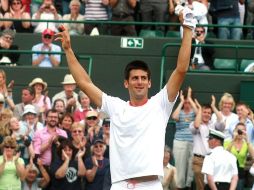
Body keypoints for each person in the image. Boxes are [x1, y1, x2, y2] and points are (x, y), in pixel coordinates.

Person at [56, 4, 195, 189]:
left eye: (143, 78)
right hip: (120, 185)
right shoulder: (115, 106)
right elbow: (84, 83)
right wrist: (68, 50)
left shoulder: (160, 104)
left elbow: (181, 69)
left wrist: (187, 28)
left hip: (151, 185)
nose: (139, 82)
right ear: (126, 83)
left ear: (149, 82)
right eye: (135, 78)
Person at [190, 97, 224, 190]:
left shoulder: (213, 124)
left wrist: (213, 106)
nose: (207, 114)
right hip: (199, 160)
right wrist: (200, 110)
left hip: (212, 159)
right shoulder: (194, 123)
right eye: (205, 112)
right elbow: (196, 126)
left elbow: (221, 122)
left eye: (209, 113)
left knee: (211, 185)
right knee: (200, 186)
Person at [171, 87, 196, 189]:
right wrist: (181, 102)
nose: (187, 104)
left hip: (193, 142)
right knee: (180, 167)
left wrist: (190, 99)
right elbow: (174, 117)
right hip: (180, 142)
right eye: (186, 102)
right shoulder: (180, 111)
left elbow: (199, 114)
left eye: (189, 102)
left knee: (191, 168)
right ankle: (179, 187)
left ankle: (188, 186)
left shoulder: (194, 111)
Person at [224, 122, 254, 190]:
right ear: (235, 131)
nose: (240, 132)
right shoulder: (227, 142)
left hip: (241, 172)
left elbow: (253, 156)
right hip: (228, 171)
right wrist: (233, 139)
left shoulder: (246, 144)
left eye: (242, 130)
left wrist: (247, 140)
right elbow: (225, 155)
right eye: (239, 130)